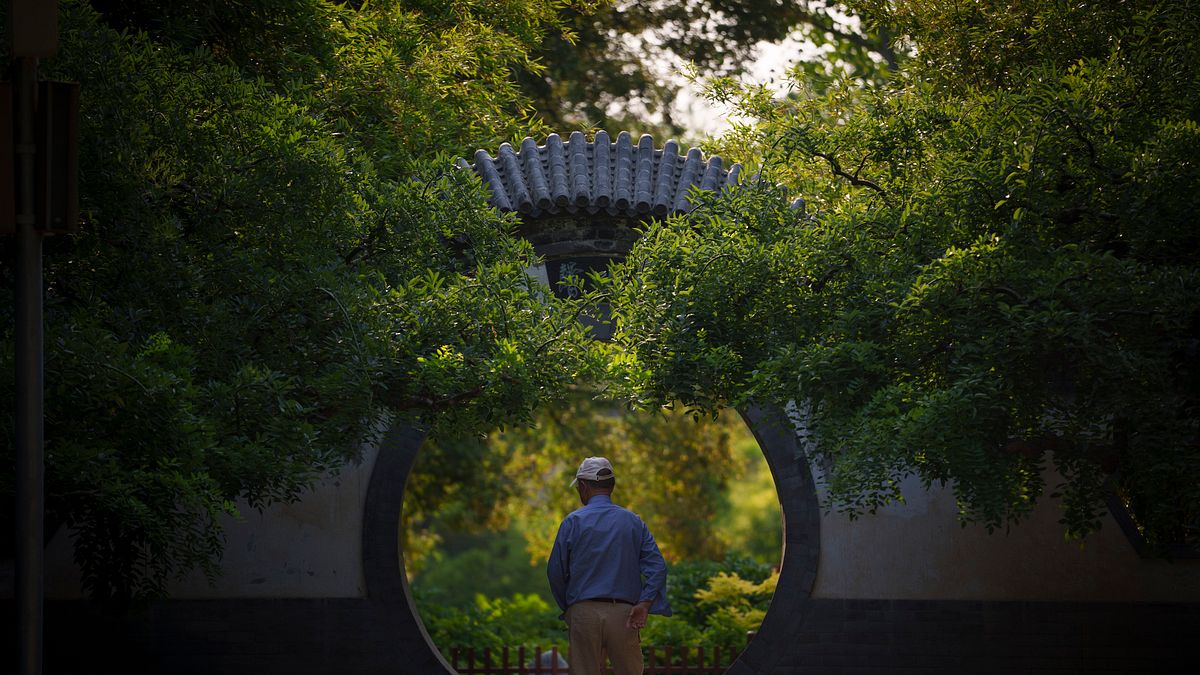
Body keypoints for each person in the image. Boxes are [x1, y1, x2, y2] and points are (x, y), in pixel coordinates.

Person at [547, 456, 671, 675]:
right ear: (611, 486)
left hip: (583, 612)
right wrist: (644, 603)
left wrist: (570, 607)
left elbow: (555, 572)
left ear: (583, 486)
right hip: (625, 615)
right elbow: (657, 568)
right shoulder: (633, 521)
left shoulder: (573, 521)